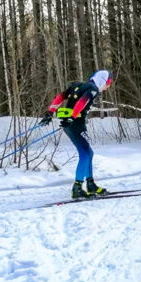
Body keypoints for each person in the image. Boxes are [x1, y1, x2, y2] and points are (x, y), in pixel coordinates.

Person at [39, 70, 113, 199]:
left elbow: (60, 96)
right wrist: (72, 117)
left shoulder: (78, 85)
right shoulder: (93, 89)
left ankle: (90, 185)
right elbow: (82, 102)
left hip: (69, 123)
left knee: (88, 153)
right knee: (85, 154)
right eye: (108, 83)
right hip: (74, 124)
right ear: (103, 80)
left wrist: (50, 112)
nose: (108, 87)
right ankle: (77, 188)